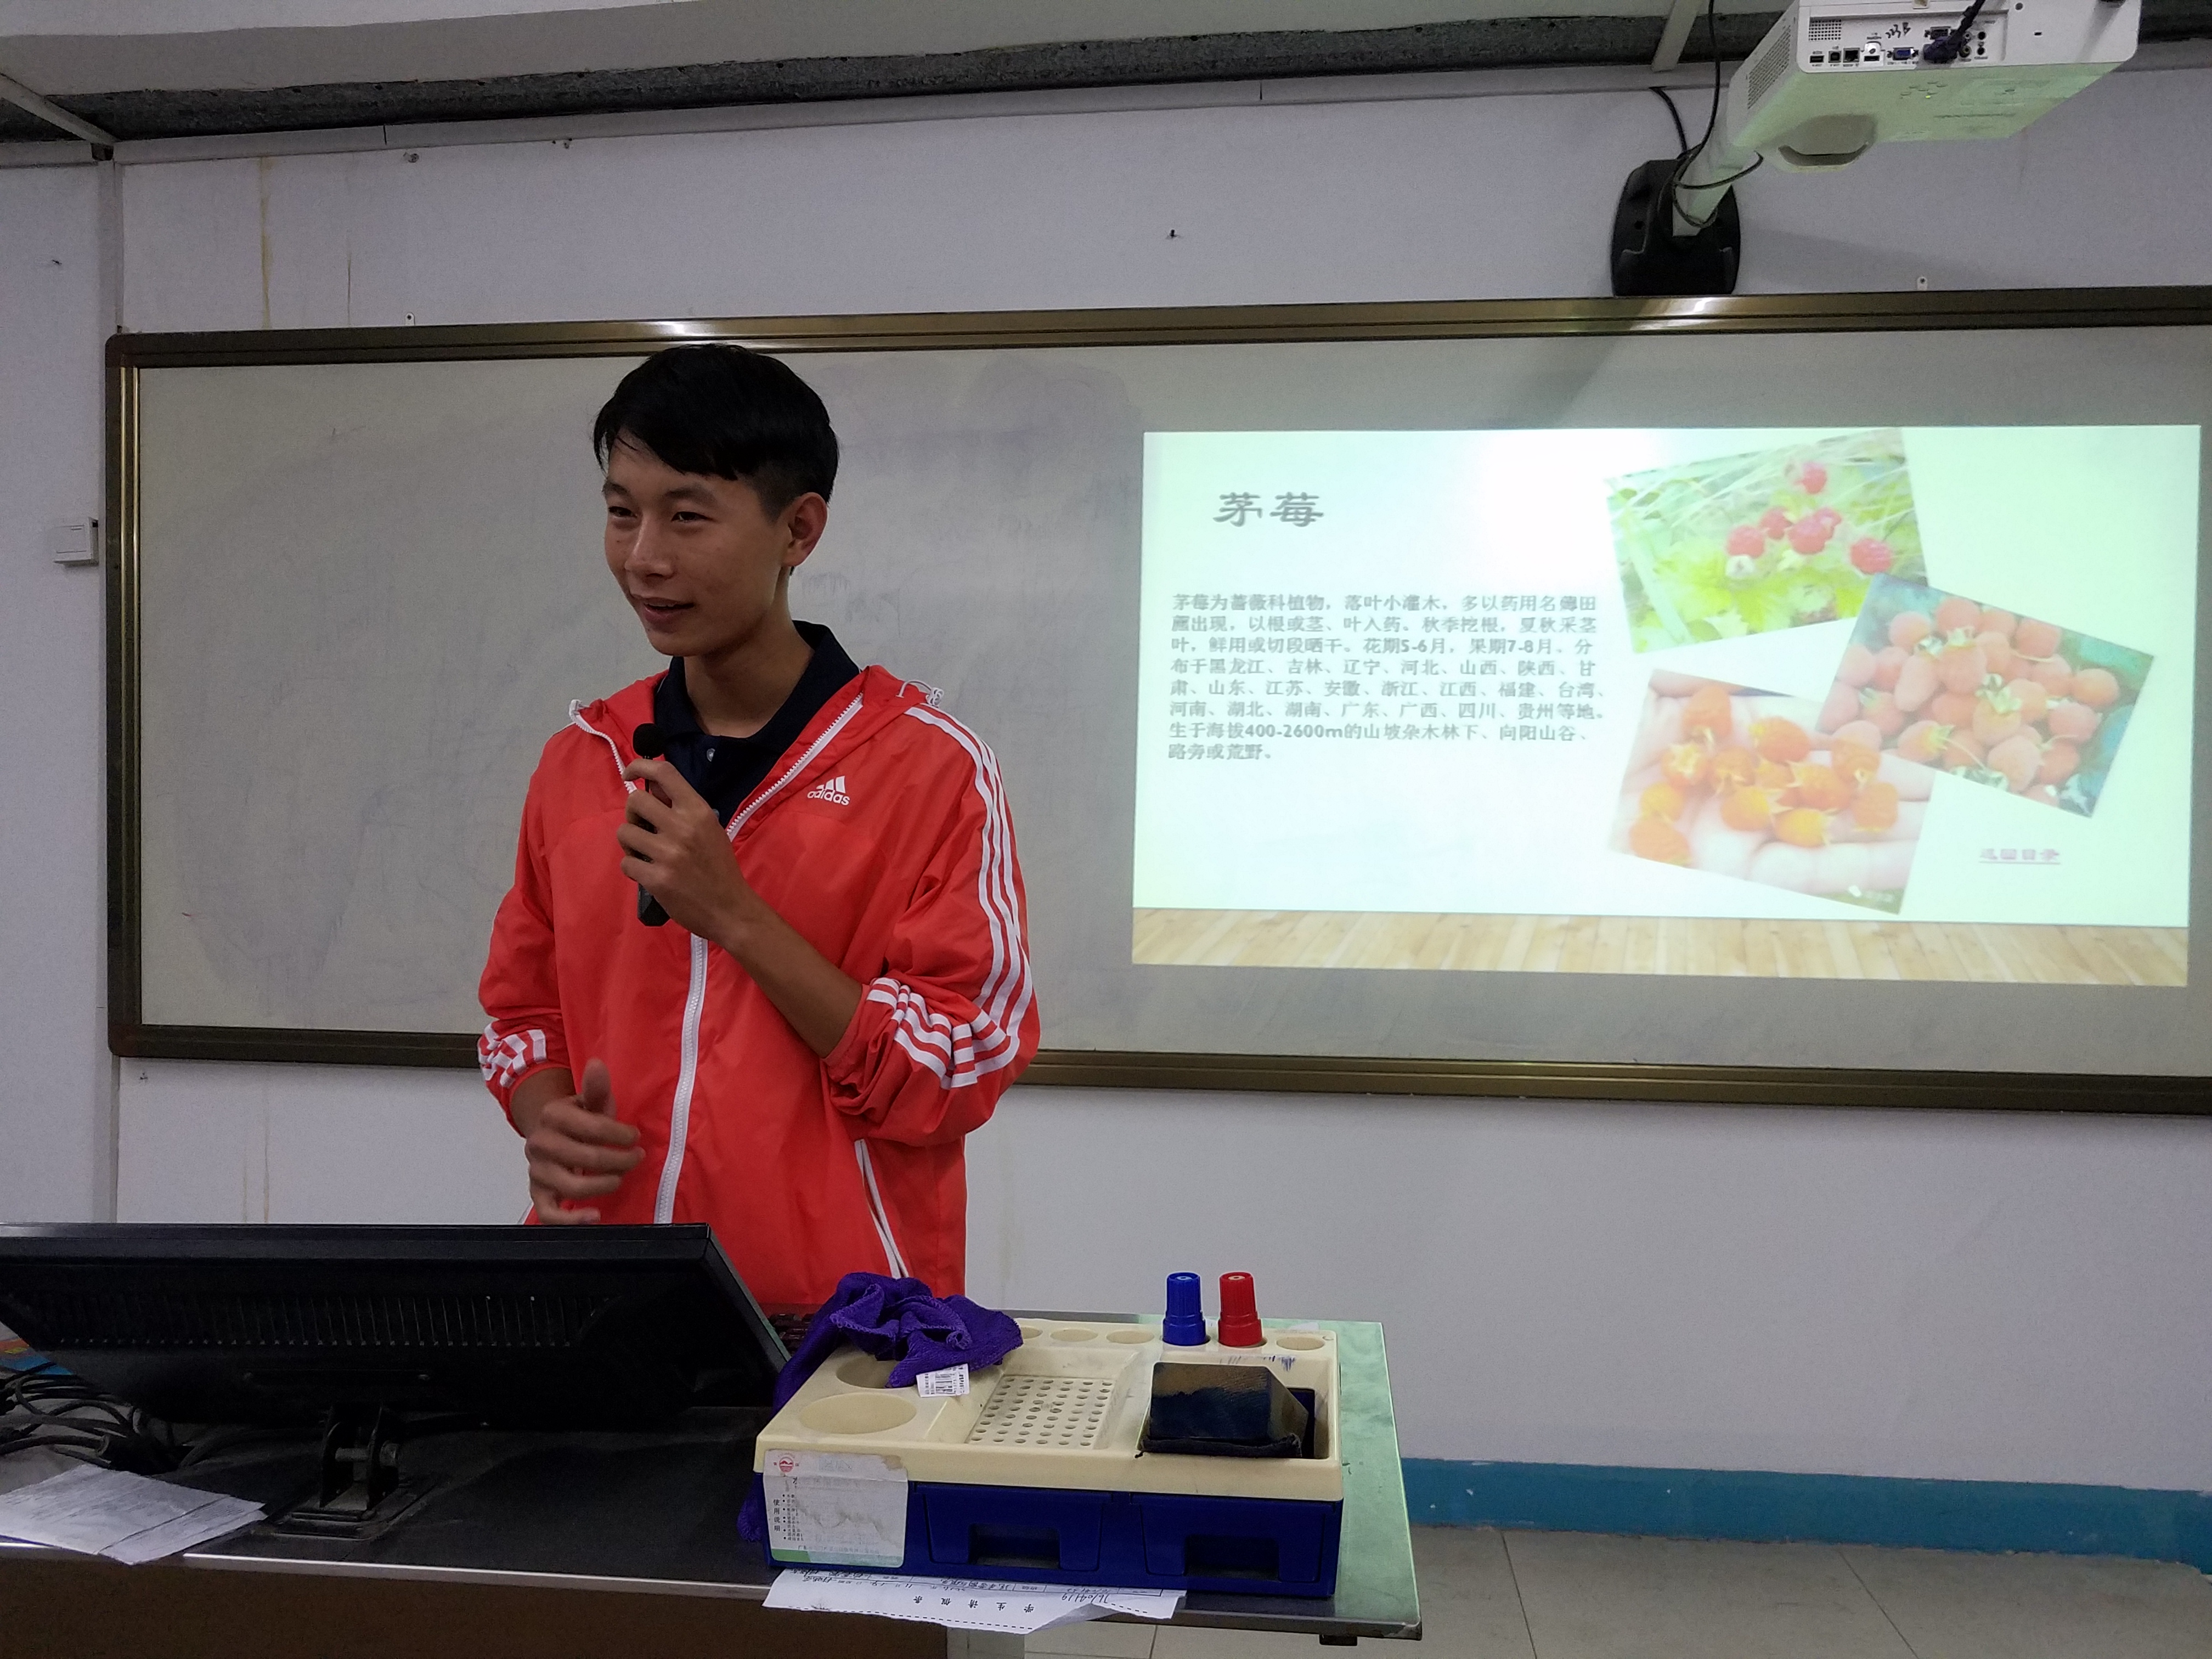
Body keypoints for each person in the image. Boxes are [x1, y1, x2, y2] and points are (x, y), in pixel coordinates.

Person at [477, 344, 1037, 1311]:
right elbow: (521, 1015)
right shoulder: (584, 760)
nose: (644, 557)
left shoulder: (931, 768)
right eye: (621, 512)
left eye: (687, 516)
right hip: (603, 1305)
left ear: (798, 530)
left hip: (846, 1328)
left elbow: (954, 1071)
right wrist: (547, 1114)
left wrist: (737, 916)